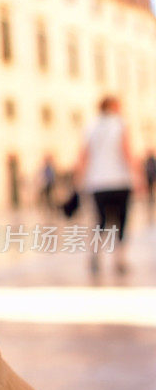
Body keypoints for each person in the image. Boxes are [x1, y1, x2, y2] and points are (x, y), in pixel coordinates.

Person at [76, 96, 136, 275]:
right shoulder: (120, 124)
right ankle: (119, 258)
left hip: (97, 182)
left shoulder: (90, 126)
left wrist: (78, 177)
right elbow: (127, 152)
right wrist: (138, 175)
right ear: (112, 106)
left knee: (100, 222)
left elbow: (83, 154)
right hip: (119, 180)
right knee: (121, 221)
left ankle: (95, 255)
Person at [145, 149, 156, 217]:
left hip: (151, 177)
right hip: (150, 177)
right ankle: (150, 197)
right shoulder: (149, 161)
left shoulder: (151, 161)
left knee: (151, 188)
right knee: (150, 188)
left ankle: (151, 196)